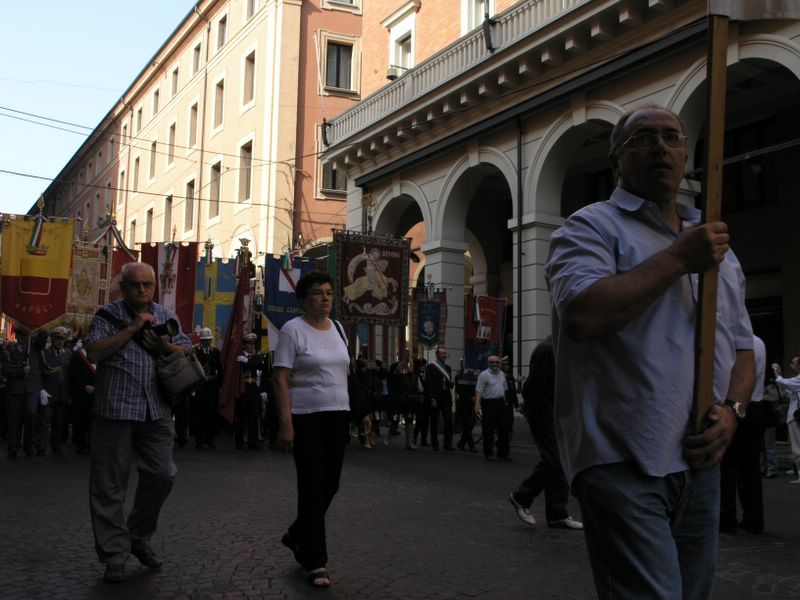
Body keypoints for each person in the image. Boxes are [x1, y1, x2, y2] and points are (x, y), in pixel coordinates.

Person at [545, 106, 755, 599]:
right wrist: (678, 258)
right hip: (622, 457)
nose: (660, 147)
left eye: (671, 138)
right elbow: (583, 315)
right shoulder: (591, 228)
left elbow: (745, 348)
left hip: (699, 462)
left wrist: (733, 412)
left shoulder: (717, 247)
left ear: (685, 156)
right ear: (616, 159)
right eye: (642, 138)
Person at [84, 262, 191, 583]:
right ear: (123, 287)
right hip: (114, 410)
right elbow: (93, 352)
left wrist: (163, 345)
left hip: (156, 410)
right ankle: (114, 555)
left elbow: (187, 350)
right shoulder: (107, 315)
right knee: (109, 486)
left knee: (163, 473)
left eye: (148, 284)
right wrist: (132, 328)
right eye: (135, 285)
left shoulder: (166, 316)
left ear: (155, 286)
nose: (142, 290)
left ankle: (138, 534)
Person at [274, 271, 350, 588]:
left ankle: (297, 533)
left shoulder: (339, 329)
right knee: (312, 486)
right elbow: (280, 378)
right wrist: (286, 423)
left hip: (338, 415)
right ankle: (315, 560)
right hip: (306, 416)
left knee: (330, 484)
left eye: (329, 293)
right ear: (303, 300)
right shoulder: (292, 330)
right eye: (318, 293)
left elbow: (344, 373)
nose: (326, 298)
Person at [509, 337, 582, 530]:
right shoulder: (549, 350)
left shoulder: (561, 349)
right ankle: (522, 496)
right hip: (544, 414)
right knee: (555, 460)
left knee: (560, 461)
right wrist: (529, 406)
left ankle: (557, 514)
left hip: (555, 414)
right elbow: (532, 387)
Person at [720, 335, 767, 533]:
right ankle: (754, 518)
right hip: (756, 405)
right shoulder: (759, 342)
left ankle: (727, 517)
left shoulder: (735, 343)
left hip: (738, 405)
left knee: (728, 465)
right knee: (751, 467)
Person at [2, 329, 43, 458]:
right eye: (20, 334)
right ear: (16, 335)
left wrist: (36, 330)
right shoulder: (9, 351)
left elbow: (43, 337)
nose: (23, 337)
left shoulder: (35, 348)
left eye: (25, 335)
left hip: (31, 389)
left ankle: (28, 445)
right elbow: (5, 370)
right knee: (14, 419)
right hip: (15, 389)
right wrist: (21, 372)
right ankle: (13, 446)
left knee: (31, 415)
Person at [39, 326, 73, 455]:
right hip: (48, 393)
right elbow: (40, 373)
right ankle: (41, 445)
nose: (60, 341)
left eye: (62, 339)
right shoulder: (45, 353)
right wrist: (41, 389)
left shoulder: (69, 354)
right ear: (52, 339)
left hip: (63, 393)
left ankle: (56, 444)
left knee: (59, 422)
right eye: (57, 339)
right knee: (44, 421)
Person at [235, 333, 268, 450]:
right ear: (244, 345)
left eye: (253, 344)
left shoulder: (254, 358)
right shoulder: (239, 357)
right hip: (242, 388)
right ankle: (239, 441)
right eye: (249, 344)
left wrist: (247, 361)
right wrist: (245, 360)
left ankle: (253, 441)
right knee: (240, 416)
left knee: (253, 415)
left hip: (253, 389)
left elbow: (260, 366)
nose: (252, 346)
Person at [191, 327, 223, 449]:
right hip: (199, 387)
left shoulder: (216, 352)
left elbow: (220, 370)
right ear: (201, 340)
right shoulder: (195, 352)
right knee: (199, 415)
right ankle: (199, 440)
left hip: (212, 388)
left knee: (211, 414)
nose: (207, 342)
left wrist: (220, 386)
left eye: (209, 339)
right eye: (205, 340)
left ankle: (210, 439)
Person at [474, 355, 510, 461]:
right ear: (488, 363)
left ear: (499, 363)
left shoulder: (502, 374)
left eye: (496, 362)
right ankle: (488, 453)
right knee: (488, 429)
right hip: (489, 404)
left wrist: (505, 403)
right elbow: (479, 390)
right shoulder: (484, 375)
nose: (494, 364)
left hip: (501, 403)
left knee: (504, 428)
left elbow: (504, 389)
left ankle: (502, 454)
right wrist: (477, 404)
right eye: (492, 362)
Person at [772, 357, 800, 484]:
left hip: (795, 417)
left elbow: (782, 382)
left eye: (793, 363)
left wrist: (775, 370)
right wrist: (780, 375)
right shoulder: (796, 380)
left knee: (797, 447)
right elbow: (786, 389)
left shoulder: (799, 379)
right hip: (794, 417)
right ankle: (797, 469)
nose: (790, 365)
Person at [424, 346, 455, 451]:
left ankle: (448, 443)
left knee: (448, 420)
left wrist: (452, 383)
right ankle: (435, 443)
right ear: (437, 354)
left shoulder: (448, 368)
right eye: (442, 353)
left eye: (445, 353)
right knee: (434, 421)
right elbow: (428, 384)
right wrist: (432, 398)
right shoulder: (431, 367)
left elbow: (448, 384)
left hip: (446, 397)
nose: (444, 355)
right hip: (435, 397)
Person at [68, 339, 95, 455]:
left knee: (91, 420)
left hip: (94, 392)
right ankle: (81, 444)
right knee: (79, 419)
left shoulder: (98, 355)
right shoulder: (77, 355)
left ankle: (91, 444)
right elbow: (73, 372)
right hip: (80, 392)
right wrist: (84, 386)